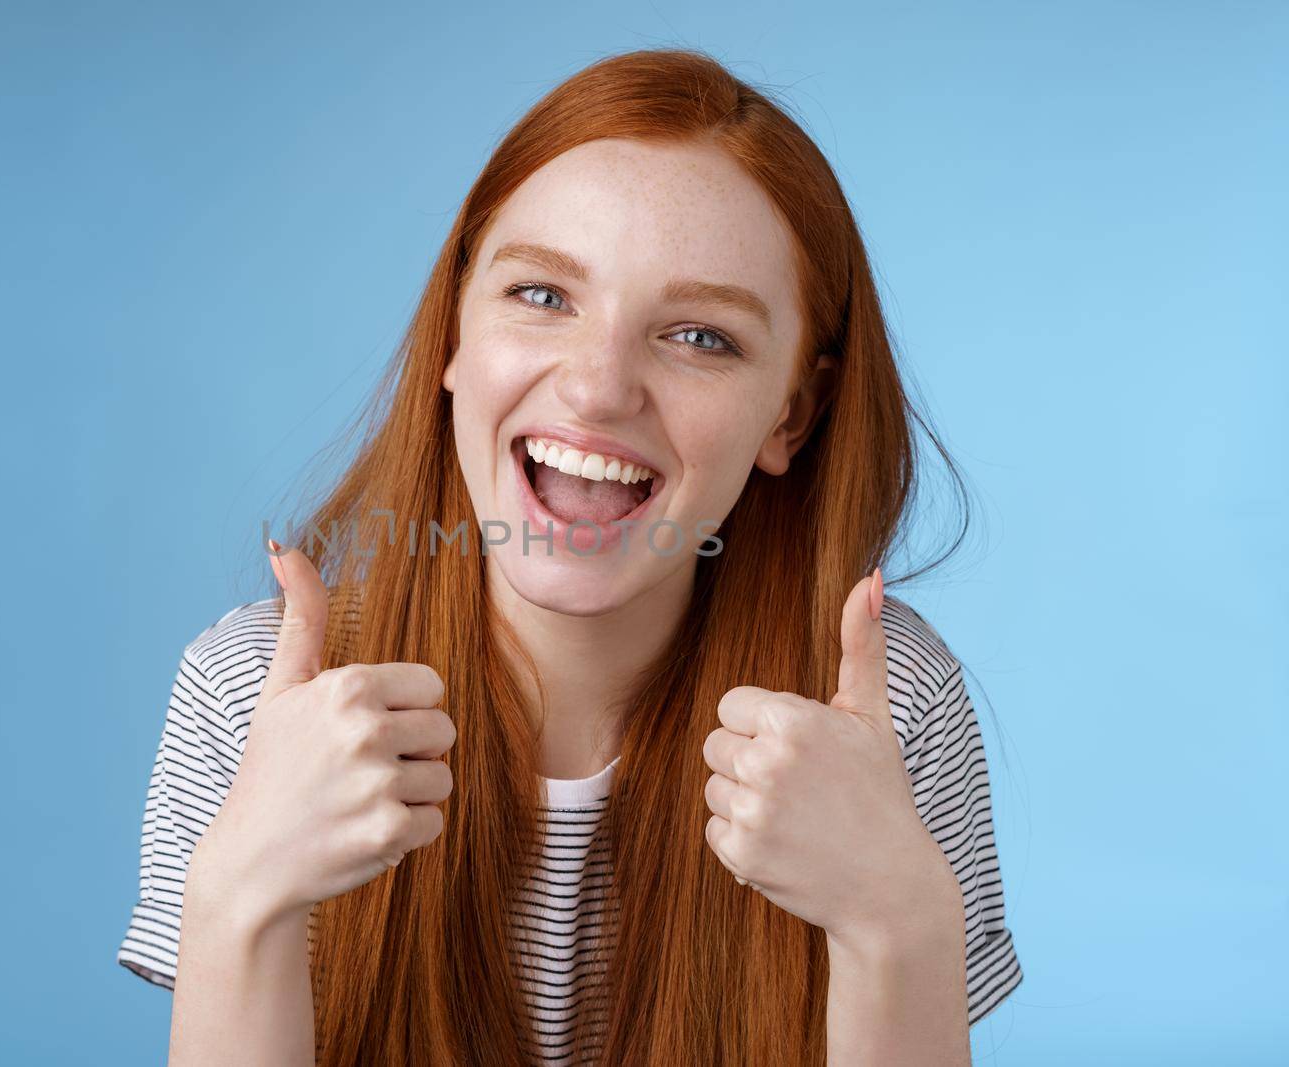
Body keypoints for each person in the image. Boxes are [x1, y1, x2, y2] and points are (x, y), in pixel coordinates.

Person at [116, 47, 1023, 1066]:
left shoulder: (886, 715)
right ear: (454, 334)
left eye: (700, 336)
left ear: (792, 413)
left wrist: (896, 920)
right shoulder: (254, 696)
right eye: (542, 295)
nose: (597, 388)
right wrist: (241, 896)